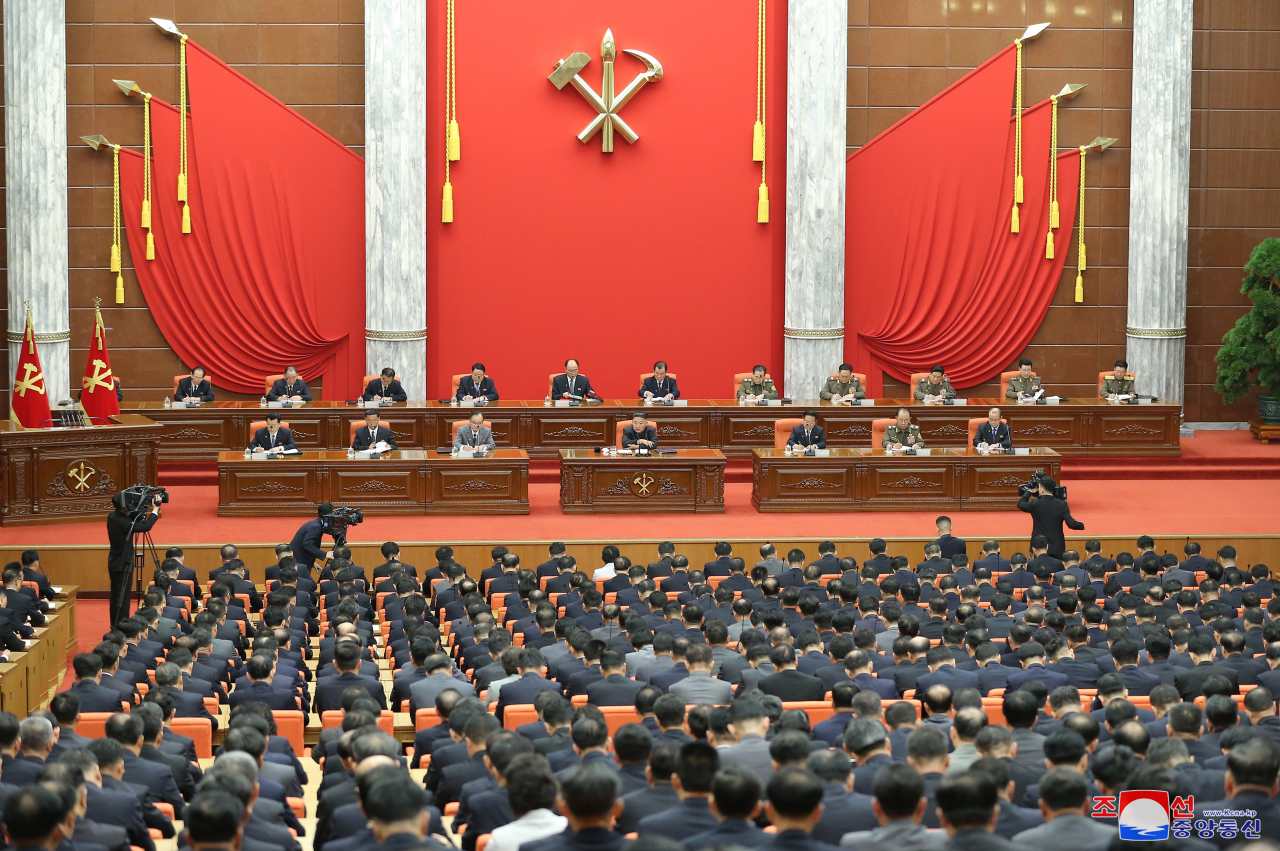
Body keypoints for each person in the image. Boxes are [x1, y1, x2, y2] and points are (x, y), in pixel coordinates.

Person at [106, 489, 163, 625]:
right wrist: (155, 509)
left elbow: (133, 517)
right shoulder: (123, 523)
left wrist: (142, 506)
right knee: (122, 599)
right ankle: (122, 626)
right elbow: (146, 526)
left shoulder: (113, 516)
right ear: (123, 507)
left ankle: (116, 623)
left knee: (116, 597)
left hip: (115, 561)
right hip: (122, 565)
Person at [1017, 477, 1084, 559]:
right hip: (1057, 547)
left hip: (1039, 547)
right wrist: (1081, 525)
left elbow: (1020, 504)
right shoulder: (1062, 504)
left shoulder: (1035, 503)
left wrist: (1029, 491)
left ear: (1042, 490)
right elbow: (1071, 524)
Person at [288, 503, 334, 571]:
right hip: (298, 562)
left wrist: (313, 564)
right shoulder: (315, 527)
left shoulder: (316, 524)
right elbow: (307, 544)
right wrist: (325, 554)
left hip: (301, 559)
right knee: (306, 581)